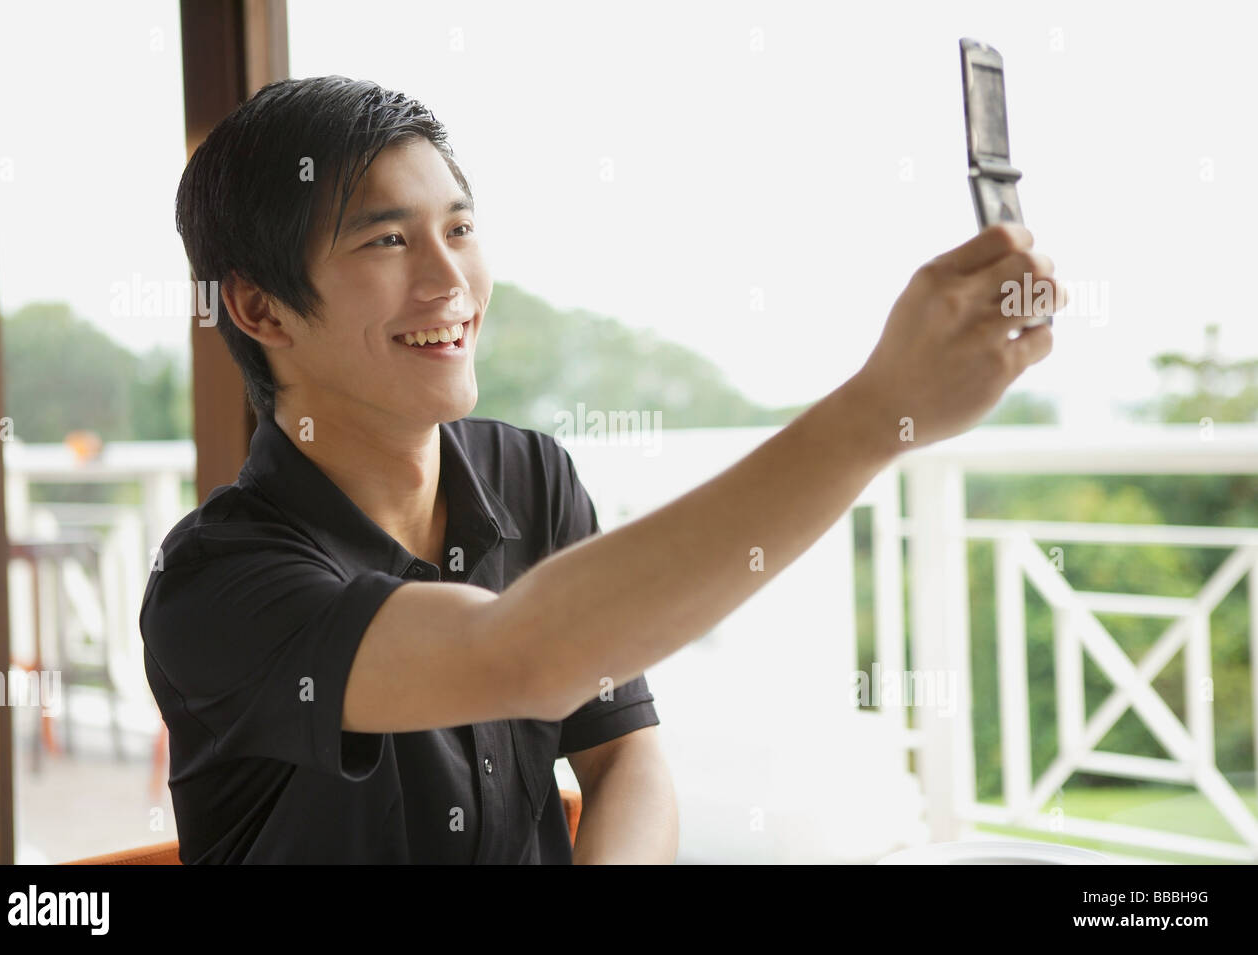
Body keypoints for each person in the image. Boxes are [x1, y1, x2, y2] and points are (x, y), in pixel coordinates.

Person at [141, 75, 1060, 865]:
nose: (449, 280)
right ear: (260, 309)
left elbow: (624, 755)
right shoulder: (215, 584)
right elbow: (523, 655)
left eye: (458, 228)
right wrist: (876, 413)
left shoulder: (527, 472)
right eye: (388, 241)